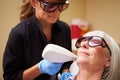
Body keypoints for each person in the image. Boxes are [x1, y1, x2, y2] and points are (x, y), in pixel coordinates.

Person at [3, 0, 72, 80]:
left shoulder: (64, 29)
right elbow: (10, 77)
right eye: (50, 5)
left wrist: (65, 72)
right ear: (33, 2)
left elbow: (67, 62)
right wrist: (39, 68)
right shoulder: (19, 33)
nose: (56, 12)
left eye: (61, 5)